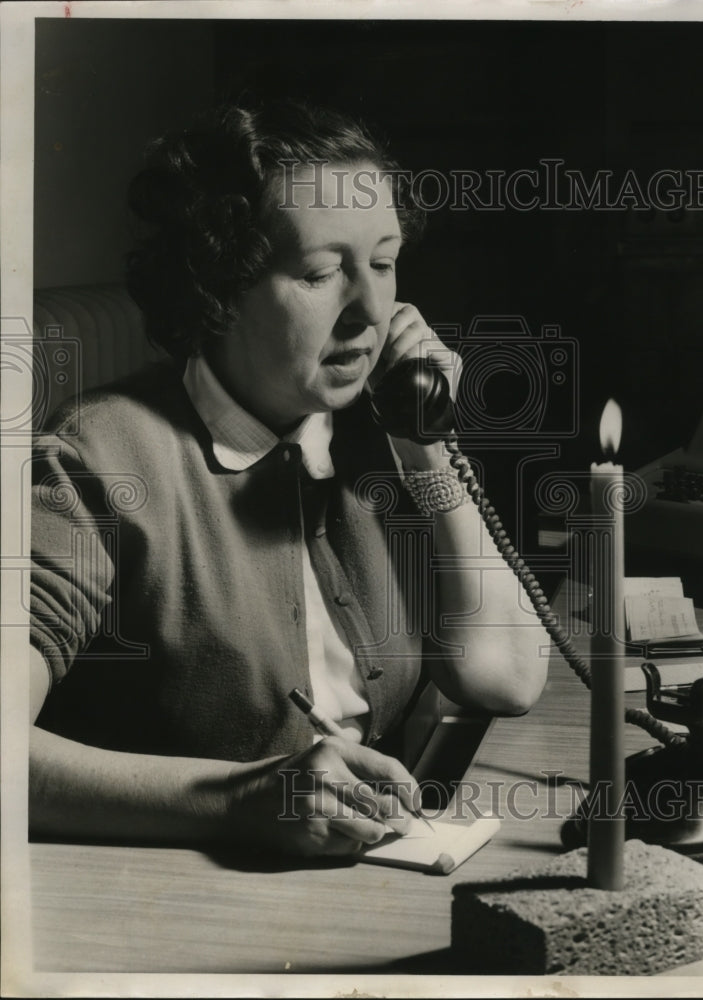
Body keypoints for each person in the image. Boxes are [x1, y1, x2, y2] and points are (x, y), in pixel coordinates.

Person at [28, 100, 548, 857]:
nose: (370, 311)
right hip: (163, 908)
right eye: (320, 273)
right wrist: (234, 799)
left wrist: (429, 448)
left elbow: (504, 680)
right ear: (220, 285)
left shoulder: (380, 433)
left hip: (349, 876)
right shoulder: (97, 459)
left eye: (381, 262)